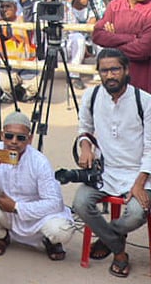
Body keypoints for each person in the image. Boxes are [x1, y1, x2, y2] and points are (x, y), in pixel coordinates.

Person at [73, 48, 151, 278]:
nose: (110, 75)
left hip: (140, 173)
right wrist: (85, 147)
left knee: (137, 214)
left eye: (115, 69)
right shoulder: (92, 96)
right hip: (105, 172)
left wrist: (139, 182)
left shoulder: (144, 101)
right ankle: (119, 251)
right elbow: (84, 130)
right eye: (104, 71)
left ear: (126, 70)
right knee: (80, 203)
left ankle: (108, 239)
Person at [0, 112, 73, 260]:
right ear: (1, 135)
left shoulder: (39, 162)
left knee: (61, 230)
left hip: (36, 216)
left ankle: (49, 241)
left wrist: (17, 207)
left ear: (29, 139)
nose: (14, 142)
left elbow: (55, 203)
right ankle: (2, 237)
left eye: (21, 138)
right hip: (6, 212)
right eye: (9, 136)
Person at [92, 0, 151, 92]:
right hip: (116, 82)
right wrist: (131, 38)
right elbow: (97, 35)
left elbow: (143, 49)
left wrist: (112, 41)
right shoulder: (115, 5)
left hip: (143, 78)